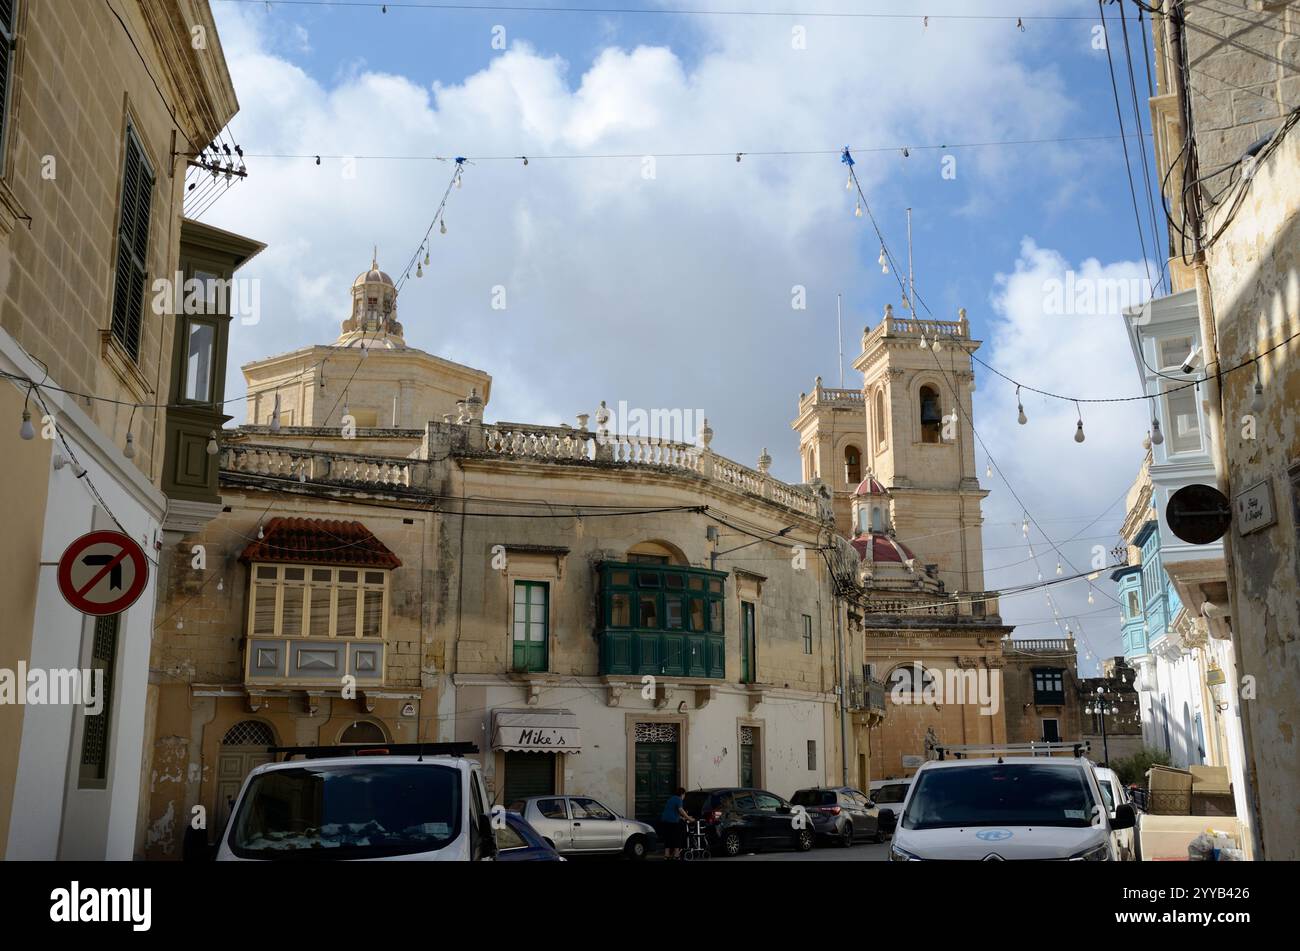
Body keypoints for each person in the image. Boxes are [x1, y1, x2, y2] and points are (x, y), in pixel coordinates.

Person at [660, 787, 693, 860]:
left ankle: (666, 856)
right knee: (677, 837)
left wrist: (682, 818)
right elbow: (681, 810)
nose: (684, 797)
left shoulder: (671, 798)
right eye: (684, 795)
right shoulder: (679, 799)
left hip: (665, 821)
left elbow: (672, 811)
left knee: (668, 838)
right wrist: (689, 818)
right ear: (682, 794)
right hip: (673, 822)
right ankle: (676, 855)